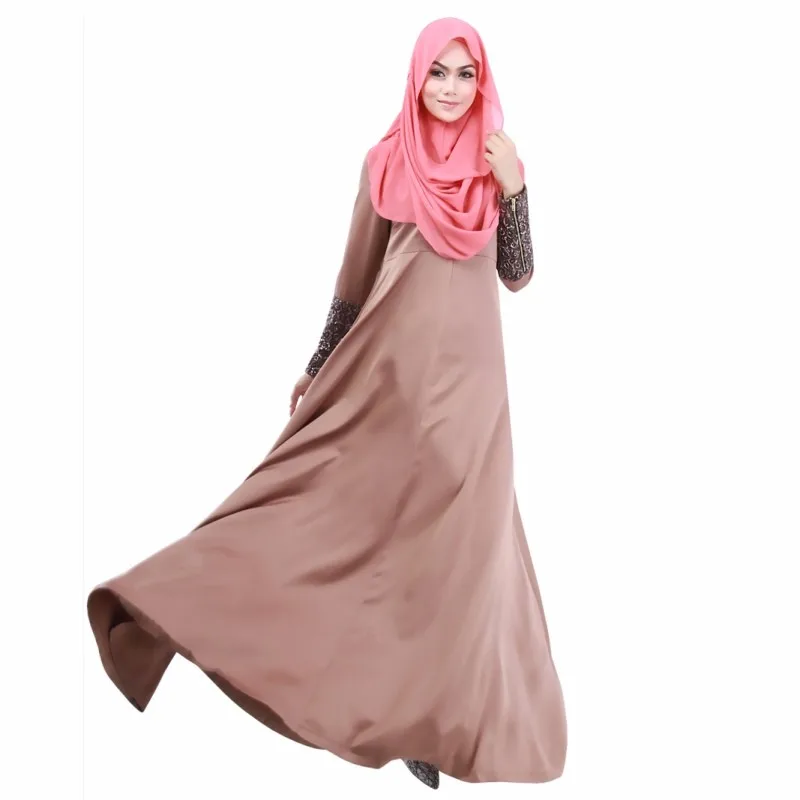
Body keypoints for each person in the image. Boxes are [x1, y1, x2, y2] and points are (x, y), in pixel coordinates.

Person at [86, 17, 567, 791]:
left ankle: (422, 716)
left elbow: (518, 274)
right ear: (415, 78)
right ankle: (176, 605)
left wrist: (516, 189)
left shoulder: (497, 163)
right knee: (330, 526)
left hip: (475, 399)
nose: (450, 89)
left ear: (482, 82)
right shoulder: (386, 161)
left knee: (458, 560)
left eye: (465, 74)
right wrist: (317, 364)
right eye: (437, 73)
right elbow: (355, 278)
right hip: (387, 379)